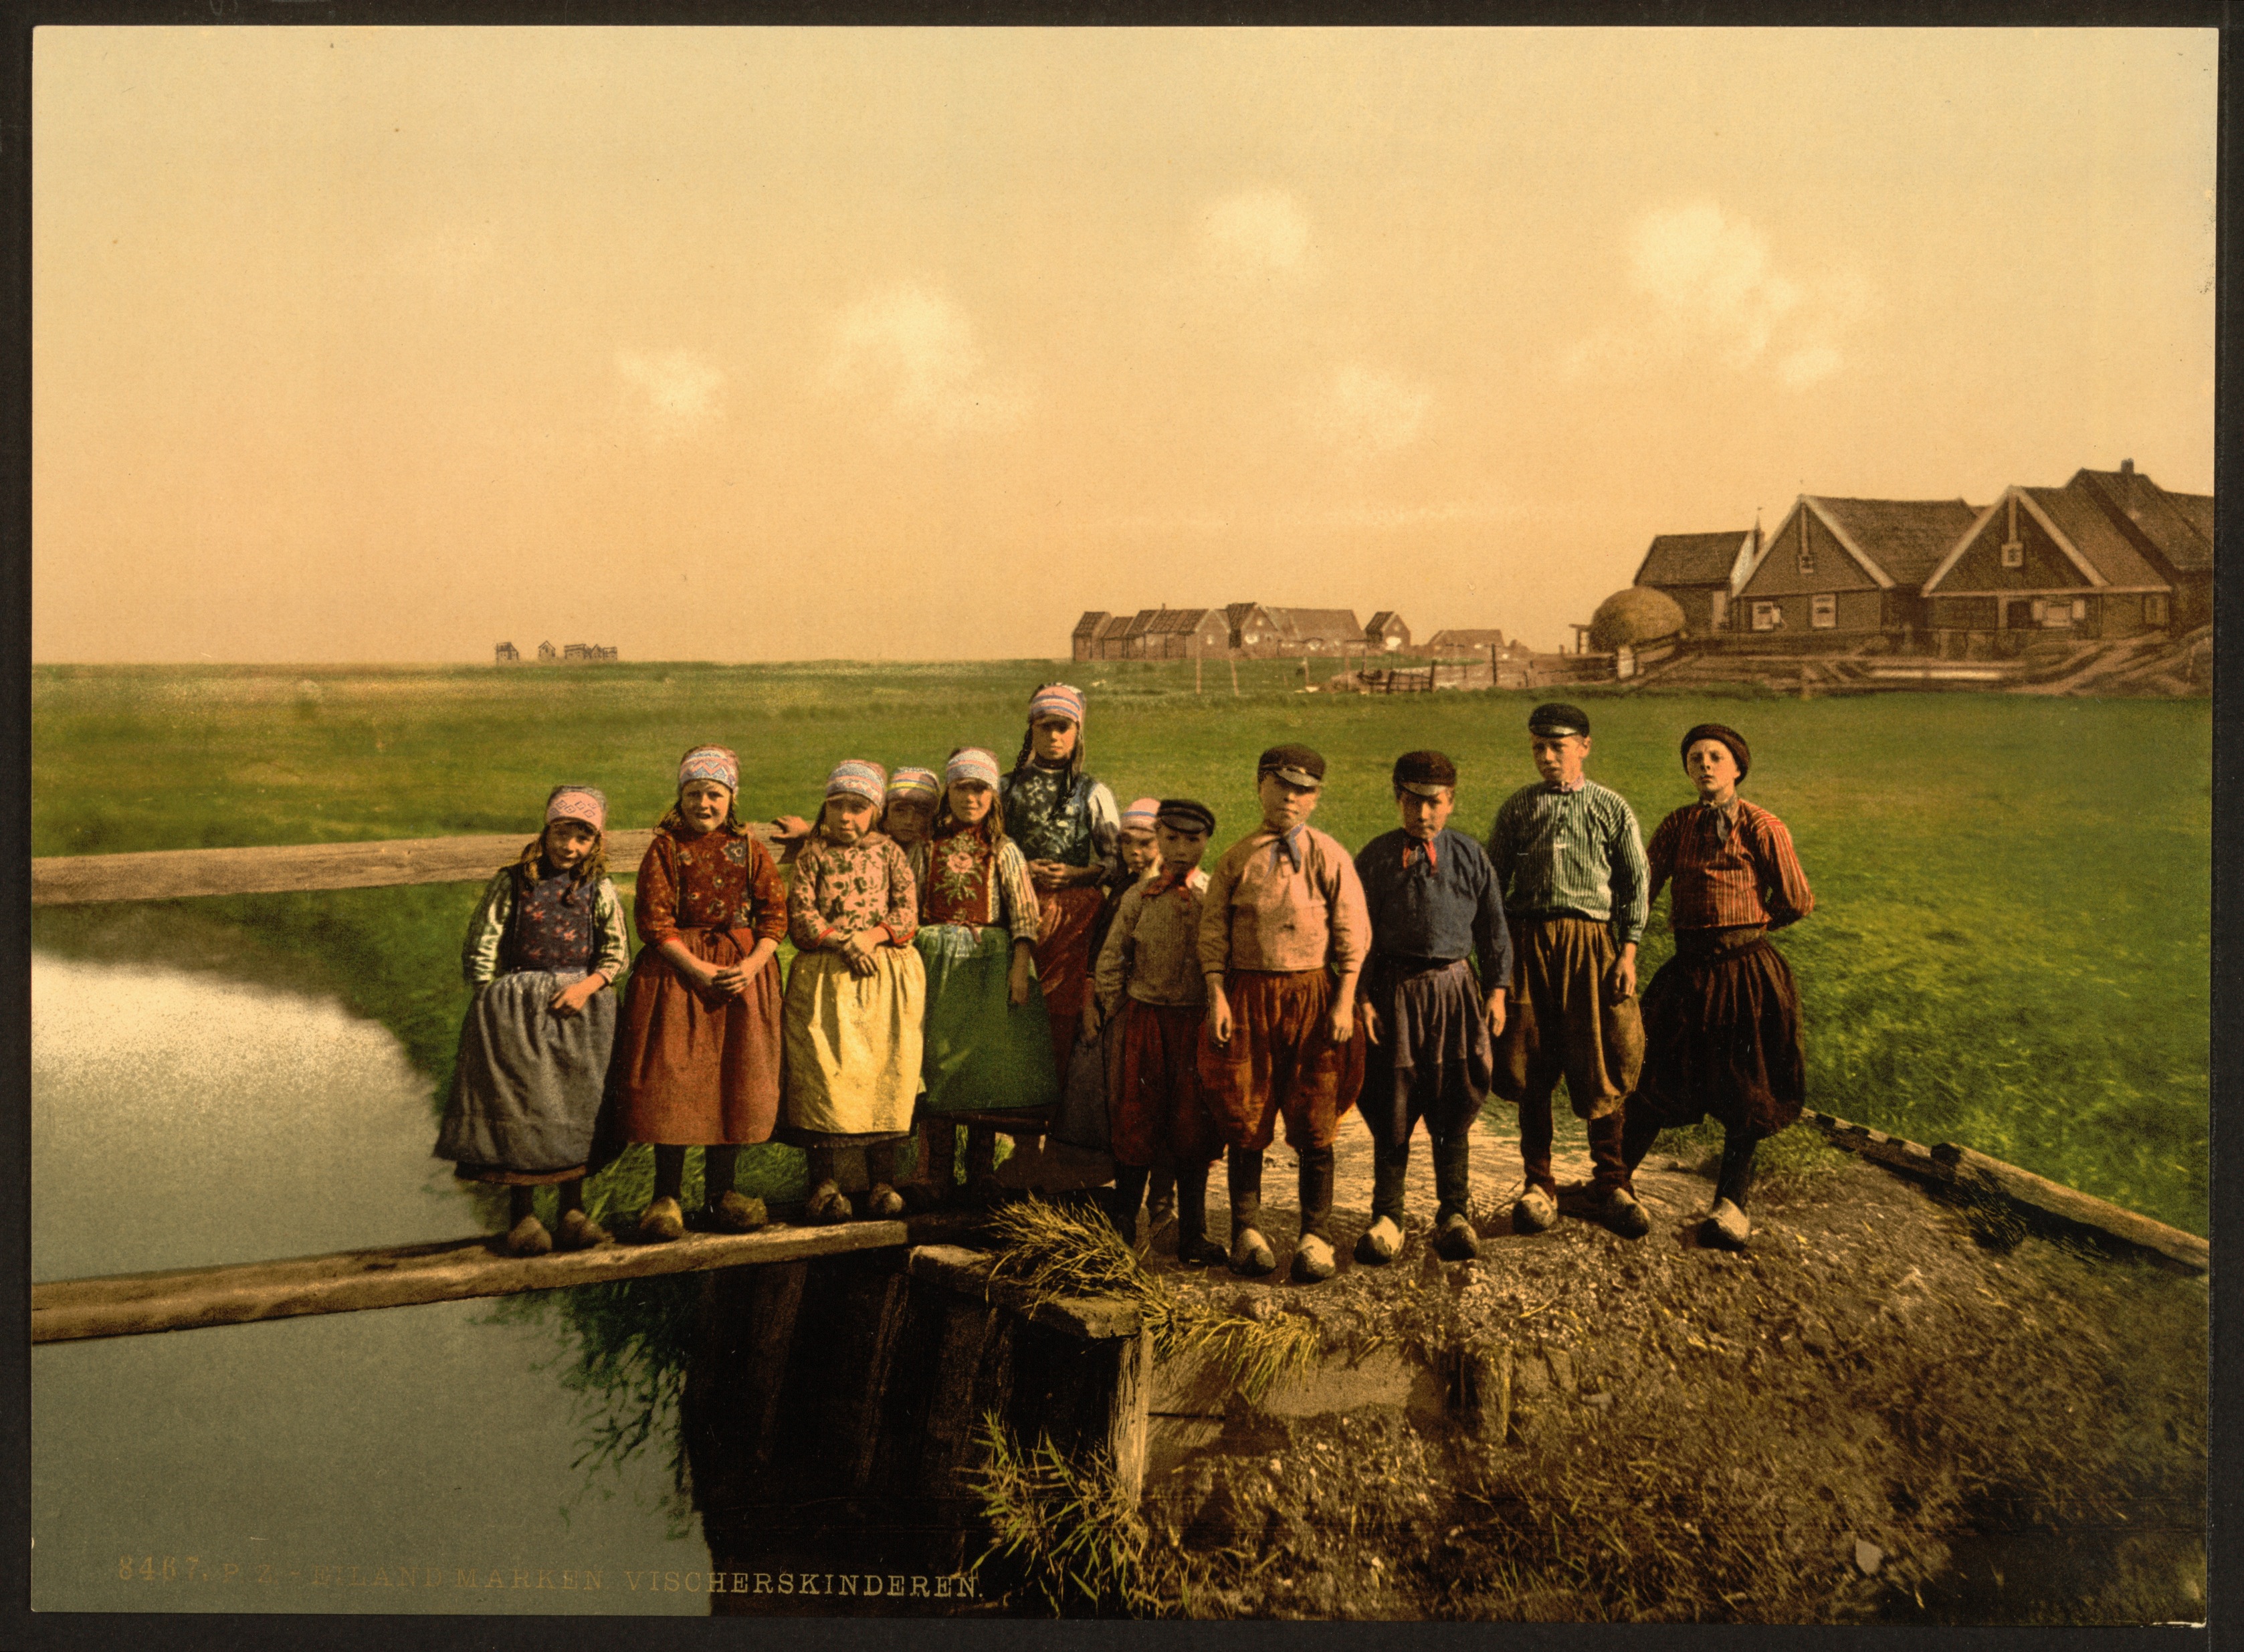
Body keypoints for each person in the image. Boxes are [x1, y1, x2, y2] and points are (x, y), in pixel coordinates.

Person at [1617, 724, 1815, 1249]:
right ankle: (1613, 1183)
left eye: (1715, 757)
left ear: (1736, 768)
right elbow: (1643, 890)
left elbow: (1797, 899)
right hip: (1686, 972)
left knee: (1745, 1085)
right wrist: (1626, 946)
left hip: (1747, 972)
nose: (1704, 765)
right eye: (1695, 758)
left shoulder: (1762, 826)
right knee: (1649, 1071)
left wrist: (1749, 930)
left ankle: (1730, 1205)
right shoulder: (1675, 826)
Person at [1197, 744, 1370, 1283]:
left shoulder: (1329, 855)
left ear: (1315, 798)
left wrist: (1344, 1001)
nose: (1290, 799)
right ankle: (1245, 1231)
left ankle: (1314, 1235)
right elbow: (1213, 935)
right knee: (1245, 1112)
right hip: (1249, 995)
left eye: (1303, 791)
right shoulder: (1237, 858)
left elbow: (1351, 933)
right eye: (1281, 786)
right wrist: (1217, 994)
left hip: (1314, 996)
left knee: (1316, 1115)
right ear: (1259, 786)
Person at [437, 785, 630, 1255]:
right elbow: (484, 940)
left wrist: (588, 987)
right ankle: (522, 1217)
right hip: (519, 1006)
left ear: (595, 843)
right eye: (562, 833)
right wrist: (491, 998)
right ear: (546, 831)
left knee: (578, 1102)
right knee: (523, 1101)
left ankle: (572, 1212)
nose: (570, 847)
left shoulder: (598, 887)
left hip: (582, 1007)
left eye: (583, 838)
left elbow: (616, 951)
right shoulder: (514, 882)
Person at [605, 746, 788, 1242]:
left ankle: (720, 1195)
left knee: (733, 1078)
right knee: (676, 1080)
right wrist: (697, 968)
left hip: (739, 978)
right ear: (679, 797)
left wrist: (752, 964)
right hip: (678, 975)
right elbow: (654, 920)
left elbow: (775, 915)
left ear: (731, 797)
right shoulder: (665, 848)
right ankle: (665, 1197)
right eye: (693, 794)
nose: (703, 804)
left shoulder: (750, 848)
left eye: (714, 794)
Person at [1485, 703, 1650, 1239]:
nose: (1547, 757)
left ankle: (1612, 1181)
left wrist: (1626, 952)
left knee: (1602, 1056)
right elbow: (1492, 885)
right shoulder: (1518, 809)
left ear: (1584, 746)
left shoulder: (1609, 808)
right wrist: (1498, 960)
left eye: (1558, 746)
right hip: (1529, 944)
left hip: (1590, 947)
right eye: (1538, 747)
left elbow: (1633, 883)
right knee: (1529, 1060)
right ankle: (1538, 1184)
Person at [1352, 751, 1512, 1264]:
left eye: (1435, 804)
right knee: (1391, 1103)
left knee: (1452, 1102)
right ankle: (1387, 1216)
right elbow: (1354, 937)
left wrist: (1497, 990)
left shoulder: (1469, 855)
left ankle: (1454, 1214)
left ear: (1450, 802)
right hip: (1393, 996)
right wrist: (1359, 998)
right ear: (1398, 800)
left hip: (1453, 992)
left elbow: (1492, 929)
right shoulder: (1375, 858)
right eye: (1413, 803)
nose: (1424, 815)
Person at [779, 759, 927, 1223]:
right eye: (837, 806)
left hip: (881, 978)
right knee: (824, 1075)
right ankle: (824, 1185)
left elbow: (907, 913)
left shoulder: (889, 854)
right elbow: (801, 915)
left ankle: (881, 1183)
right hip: (826, 977)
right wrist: (842, 941)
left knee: (883, 1073)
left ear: (875, 812)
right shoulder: (813, 856)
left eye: (858, 807)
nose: (846, 817)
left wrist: (872, 937)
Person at [911, 746, 1055, 1201]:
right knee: (936, 1063)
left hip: (989, 964)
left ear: (992, 795)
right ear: (947, 792)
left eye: (980, 789)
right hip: (934, 963)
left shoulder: (1003, 850)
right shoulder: (925, 849)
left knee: (981, 1066)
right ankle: (933, 1175)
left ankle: (978, 1173)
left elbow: (1023, 914)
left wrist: (1018, 968)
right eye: (961, 788)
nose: (970, 797)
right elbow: (910, 906)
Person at [1094, 798, 1225, 1263]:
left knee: (1192, 1126)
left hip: (1194, 1024)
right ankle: (1122, 1227)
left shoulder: (1213, 895)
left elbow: (1223, 960)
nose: (1181, 849)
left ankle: (1192, 1233)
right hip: (1144, 1021)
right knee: (1136, 1118)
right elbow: (1111, 961)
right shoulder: (1139, 896)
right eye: (1171, 839)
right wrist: (1120, 1011)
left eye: (1192, 840)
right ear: (1158, 840)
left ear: (1207, 842)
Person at [999, 683, 1122, 1078]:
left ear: (1077, 733)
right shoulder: (1006, 788)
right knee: (1014, 1007)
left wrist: (1078, 873)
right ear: (1031, 730)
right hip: (1015, 910)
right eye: (1045, 728)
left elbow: (1117, 861)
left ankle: (1056, 1113)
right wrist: (1019, 868)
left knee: (1061, 1012)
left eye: (1064, 728)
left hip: (1073, 918)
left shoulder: (1093, 792)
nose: (1054, 737)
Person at [881, 766, 942, 851]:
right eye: (900, 810)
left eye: (920, 813)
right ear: (886, 811)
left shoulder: (939, 853)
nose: (909, 821)